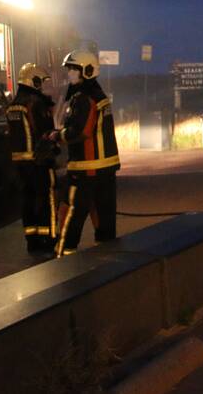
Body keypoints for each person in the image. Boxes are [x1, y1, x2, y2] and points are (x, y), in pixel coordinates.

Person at [52, 51, 119, 257]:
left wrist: (56, 136)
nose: (70, 73)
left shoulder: (84, 99)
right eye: (69, 69)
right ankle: (106, 259)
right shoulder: (100, 97)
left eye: (74, 69)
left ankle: (64, 256)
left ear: (87, 71)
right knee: (104, 217)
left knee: (71, 213)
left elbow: (80, 132)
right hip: (105, 171)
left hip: (84, 170)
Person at [7, 63, 59, 254]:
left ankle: (32, 240)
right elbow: (45, 133)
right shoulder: (36, 103)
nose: (43, 86)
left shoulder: (14, 105)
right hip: (39, 161)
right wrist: (54, 150)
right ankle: (48, 237)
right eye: (41, 82)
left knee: (27, 200)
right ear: (34, 81)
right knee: (46, 199)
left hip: (20, 164)